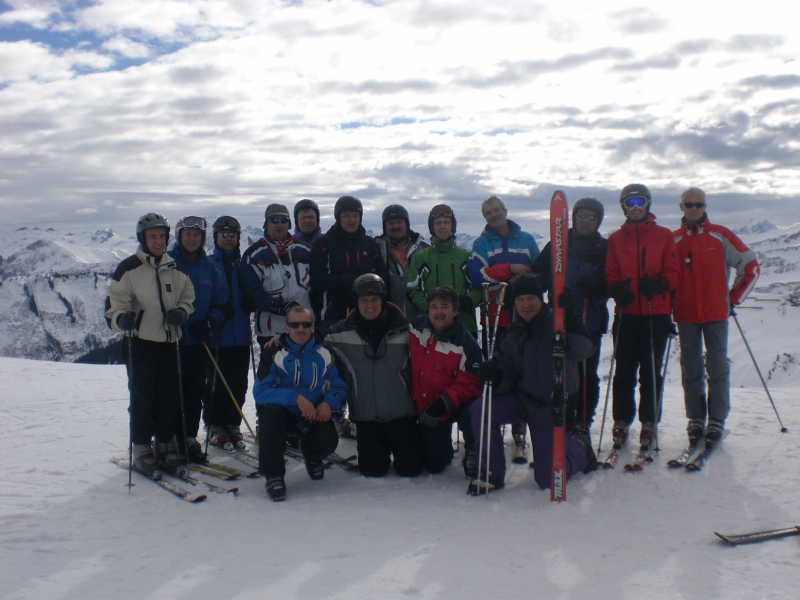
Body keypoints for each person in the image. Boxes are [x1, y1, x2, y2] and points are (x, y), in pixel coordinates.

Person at [470, 275, 596, 494]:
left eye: (531, 298)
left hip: (551, 408)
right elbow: (507, 374)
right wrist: (495, 376)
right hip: (522, 400)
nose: (526, 305)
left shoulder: (557, 323)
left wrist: (571, 318)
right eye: (520, 300)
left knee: (549, 478)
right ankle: (492, 472)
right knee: (482, 408)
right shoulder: (512, 334)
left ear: (541, 300)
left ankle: (580, 450)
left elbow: (584, 350)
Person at [105, 213, 195, 474]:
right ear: (143, 238)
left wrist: (183, 312)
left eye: (162, 236)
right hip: (140, 342)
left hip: (168, 342)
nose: (158, 241)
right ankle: (142, 446)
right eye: (153, 236)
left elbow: (188, 298)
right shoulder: (129, 268)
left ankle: (164, 444)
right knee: (143, 397)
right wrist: (121, 318)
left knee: (168, 396)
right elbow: (114, 304)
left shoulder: (176, 268)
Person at [672, 187, 760, 443]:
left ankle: (717, 419)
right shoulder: (674, 240)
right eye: (689, 204)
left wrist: (732, 299)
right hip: (686, 314)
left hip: (715, 314)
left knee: (717, 367)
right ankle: (696, 419)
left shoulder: (720, 236)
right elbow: (665, 277)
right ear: (682, 207)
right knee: (691, 368)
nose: (694, 208)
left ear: (705, 206)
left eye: (699, 204)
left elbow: (750, 266)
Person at [325, 274, 424, 478]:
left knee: (412, 470)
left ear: (383, 300)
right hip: (367, 419)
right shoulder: (338, 335)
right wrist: (280, 341)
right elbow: (309, 343)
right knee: (372, 471)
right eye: (364, 300)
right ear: (356, 302)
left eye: (375, 300)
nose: (370, 305)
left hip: (402, 417)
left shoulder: (407, 330)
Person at [605, 184, 681, 449]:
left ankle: (649, 421)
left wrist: (661, 284)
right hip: (626, 312)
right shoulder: (616, 238)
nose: (636, 208)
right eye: (630, 203)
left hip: (655, 313)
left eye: (640, 202)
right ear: (623, 207)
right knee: (624, 370)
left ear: (648, 204)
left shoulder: (663, 235)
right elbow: (611, 273)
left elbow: (674, 270)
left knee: (650, 371)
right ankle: (622, 421)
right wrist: (616, 290)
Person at [467, 194, 541, 454]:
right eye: (489, 212)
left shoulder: (527, 240)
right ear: (485, 217)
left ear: (505, 210)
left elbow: (540, 274)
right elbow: (476, 275)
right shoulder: (482, 243)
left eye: (497, 210)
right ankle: (495, 421)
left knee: (524, 373)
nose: (494, 215)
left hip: (524, 320)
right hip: (494, 319)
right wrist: (508, 268)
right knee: (498, 373)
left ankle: (520, 429)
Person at [532, 197, 609, 443]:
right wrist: (541, 285)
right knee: (558, 373)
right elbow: (540, 273)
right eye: (582, 215)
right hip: (558, 319)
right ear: (574, 216)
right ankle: (560, 421)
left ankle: (582, 423)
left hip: (589, 318)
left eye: (592, 217)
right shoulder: (557, 243)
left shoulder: (603, 247)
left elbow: (614, 281)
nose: (586, 221)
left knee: (586, 373)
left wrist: (598, 286)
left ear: (598, 221)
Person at [253, 306, 346, 501]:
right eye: (294, 324)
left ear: (313, 327)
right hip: (284, 414)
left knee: (328, 439)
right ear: (286, 328)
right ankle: (274, 475)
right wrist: (294, 398)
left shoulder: (325, 353)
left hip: (313, 414)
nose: (300, 329)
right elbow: (260, 391)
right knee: (269, 415)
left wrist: (329, 403)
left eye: (305, 324)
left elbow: (339, 386)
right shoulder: (273, 352)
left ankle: (312, 456)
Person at [167, 216, 230, 464]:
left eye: (196, 235)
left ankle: (189, 438)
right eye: (187, 234)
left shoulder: (210, 267)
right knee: (170, 393)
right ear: (180, 236)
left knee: (195, 393)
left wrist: (210, 321)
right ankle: (168, 440)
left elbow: (222, 299)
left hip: (198, 340)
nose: (192, 239)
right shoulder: (168, 263)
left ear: (202, 239)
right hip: (170, 341)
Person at [409, 286, 483, 475]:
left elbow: (473, 379)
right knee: (433, 465)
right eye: (434, 307)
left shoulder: (466, 342)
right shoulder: (414, 328)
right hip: (422, 408)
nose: (439, 312)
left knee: (475, 407)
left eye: (445, 306)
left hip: (448, 406)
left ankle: (473, 447)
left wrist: (444, 403)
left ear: (455, 311)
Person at [310, 195, 389, 332]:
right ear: (338, 217)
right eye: (346, 215)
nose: (352, 220)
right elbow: (317, 279)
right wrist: (349, 282)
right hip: (332, 315)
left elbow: (383, 276)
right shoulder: (323, 244)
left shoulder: (370, 244)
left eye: (355, 215)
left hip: (368, 313)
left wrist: (366, 285)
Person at [206, 216, 252, 449]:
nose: (228, 239)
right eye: (223, 235)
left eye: (232, 235)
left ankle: (232, 423)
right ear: (215, 238)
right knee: (216, 385)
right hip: (217, 336)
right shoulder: (208, 264)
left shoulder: (243, 264)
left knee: (238, 383)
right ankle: (214, 425)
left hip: (241, 335)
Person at [242, 203, 312, 346]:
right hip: (271, 330)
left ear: (289, 224)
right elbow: (251, 292)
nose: (279, 224)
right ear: (266, 224)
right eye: (274, 220)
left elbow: (316, 284)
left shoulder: (304, 250)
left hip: (303, 328)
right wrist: (276, 306)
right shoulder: (254, 255)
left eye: (283, 220)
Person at [406, 204, 482, 335]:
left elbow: (478, 287)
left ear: (452, 225)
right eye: (438, 223)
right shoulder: (422, 258)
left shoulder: (465, 256)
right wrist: (430, 309)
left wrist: (467, 302)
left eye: (446, 222)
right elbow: (412, 289)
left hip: (463, 326)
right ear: (432, 227)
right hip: (431, 327)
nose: (442, 227)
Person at [375, 204, 428, 317]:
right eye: (390, 223)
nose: (395, 226)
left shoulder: (424, 250)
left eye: (399, 222)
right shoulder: (377, 252)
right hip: (388, 321)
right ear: (385, 226)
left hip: (422, 319)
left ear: (407, 224)